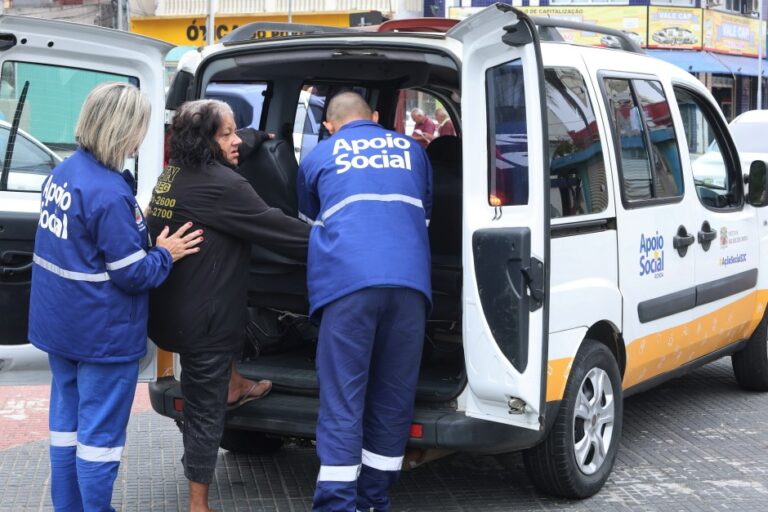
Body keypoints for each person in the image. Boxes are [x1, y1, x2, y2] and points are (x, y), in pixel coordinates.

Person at [28, 82, 203, 512]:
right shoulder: (108, 192)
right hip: (102, 338)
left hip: (62, 329)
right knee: (100, 442)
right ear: (123, 130)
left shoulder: (64, 173)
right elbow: (131, 275)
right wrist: (166, 253)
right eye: (139, 127)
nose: (141, 137)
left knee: (66, 430)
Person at [147, 99, 310, 512]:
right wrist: (343, 241)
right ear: (205, 141)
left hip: (169, 312)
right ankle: (198, 504)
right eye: (228, 135)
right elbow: (280, 230)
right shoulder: (224, 185)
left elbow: (236, 141)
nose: (236, 140)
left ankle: (235, 384)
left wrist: (260, 138)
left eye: (237, 132)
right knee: (204, 414)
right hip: (205, 322)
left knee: (234, 308)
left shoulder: (171, 175)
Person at [297, 91, 433, 512]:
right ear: (375, 118)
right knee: (393, 396)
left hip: (347, 286)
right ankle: (374, 500)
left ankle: (337, 505)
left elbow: (309, 220)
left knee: (344, 398)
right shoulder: (413, 150)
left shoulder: (319, 155)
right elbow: (423, 215)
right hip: (410, 285)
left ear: (330, 125)